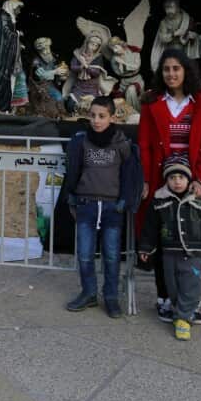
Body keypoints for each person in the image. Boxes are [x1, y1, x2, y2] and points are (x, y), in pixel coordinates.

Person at [136, 48, 201, 324]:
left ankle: (190, 301)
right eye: (166, 69)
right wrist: (147, 180)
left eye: (176, 69)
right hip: (161, 183)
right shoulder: (151, 101)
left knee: (191, 244)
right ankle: (165, 299)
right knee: (162, 240)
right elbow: (144, 145)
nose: (171, 74)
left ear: (186, 71)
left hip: (192, 183)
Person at [62, 96, 143, 319]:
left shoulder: (121, 144)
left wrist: (124, 200)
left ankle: (111, 297)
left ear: (112, 117)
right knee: (86, 254)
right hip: (87, 205)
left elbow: (129, 174)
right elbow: (73, 171)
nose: (96, 121)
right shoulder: (81, 142)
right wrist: (72, 197)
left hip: (111, 207)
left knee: (111, 255)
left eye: (102, 116)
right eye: (93, 115)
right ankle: (88, 292)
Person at [137, 155, 201, 340]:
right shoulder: (159, 200)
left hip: (194, 252)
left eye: (181, 178)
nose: (177, 182)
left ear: (189, 179)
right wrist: (146, 248)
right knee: (173, 287)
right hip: (169, 252)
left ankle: (183, 319)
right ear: (166, 179)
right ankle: (185, 308)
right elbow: (150, 228)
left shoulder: (199, 200)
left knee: (190, 284)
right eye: (172, 178)